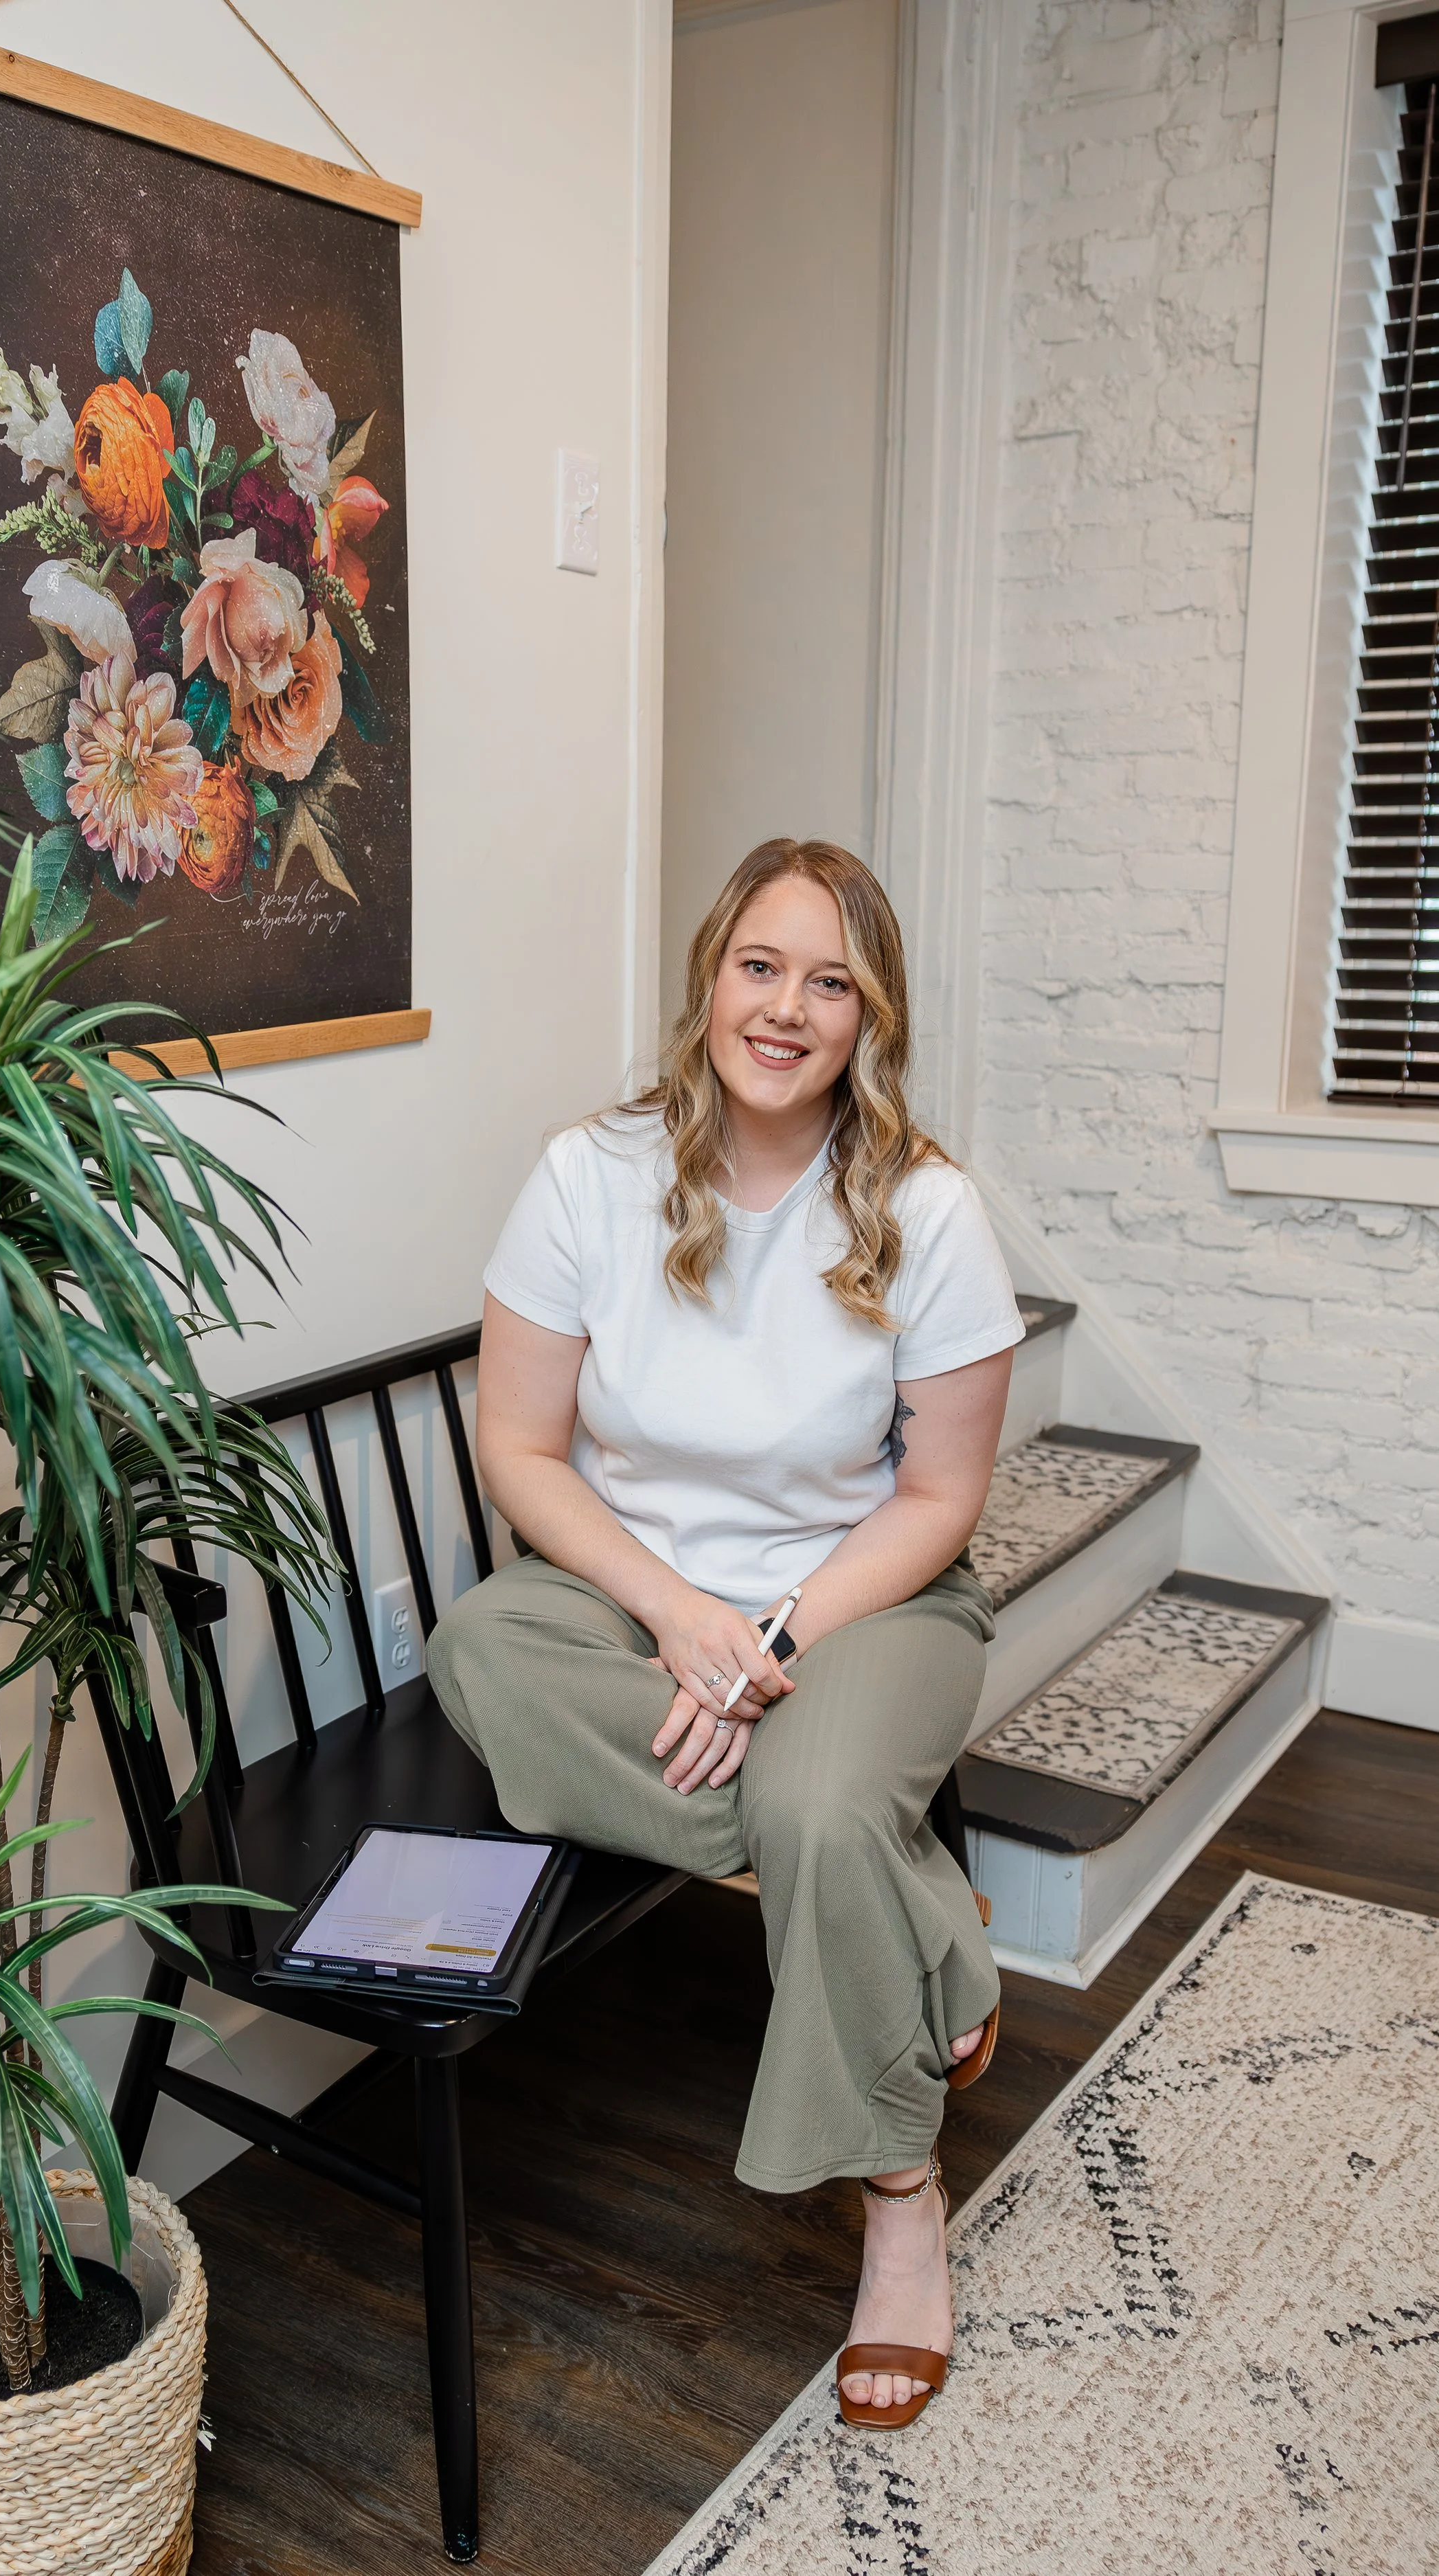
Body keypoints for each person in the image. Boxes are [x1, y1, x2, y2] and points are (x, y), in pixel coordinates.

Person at [426, 837, 1023, 2430]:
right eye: (759, 966)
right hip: (640, 1593)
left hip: (864, 1594)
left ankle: (898, 2198)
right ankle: (925, 1924)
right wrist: (680, 1617)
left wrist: (764, 1641)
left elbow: (938, 1499)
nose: (785, 1008)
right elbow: (520, 1453)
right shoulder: (588, 1175)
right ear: (709, 978)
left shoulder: (926, 1210)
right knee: (479, 1649)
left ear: (867, 1018)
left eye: (829, 983)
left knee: (820, 1802)